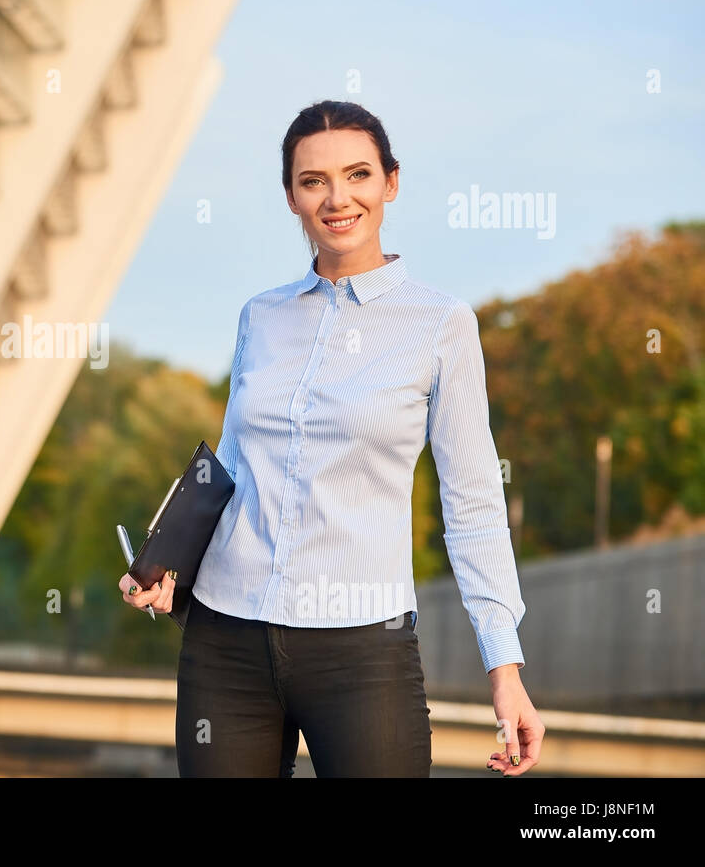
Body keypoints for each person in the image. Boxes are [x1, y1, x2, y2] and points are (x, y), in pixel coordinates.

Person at [119, 100, 544, 777]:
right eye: (314, 180)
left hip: (362, 653)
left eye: (358, 175)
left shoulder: (440, 324)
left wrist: (505, 666)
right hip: (225, 640)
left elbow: (473, 502)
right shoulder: (260, 317)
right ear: (291, 195)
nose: (337, 197)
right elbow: (231, 466)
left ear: (390, 183)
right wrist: (167, 560)